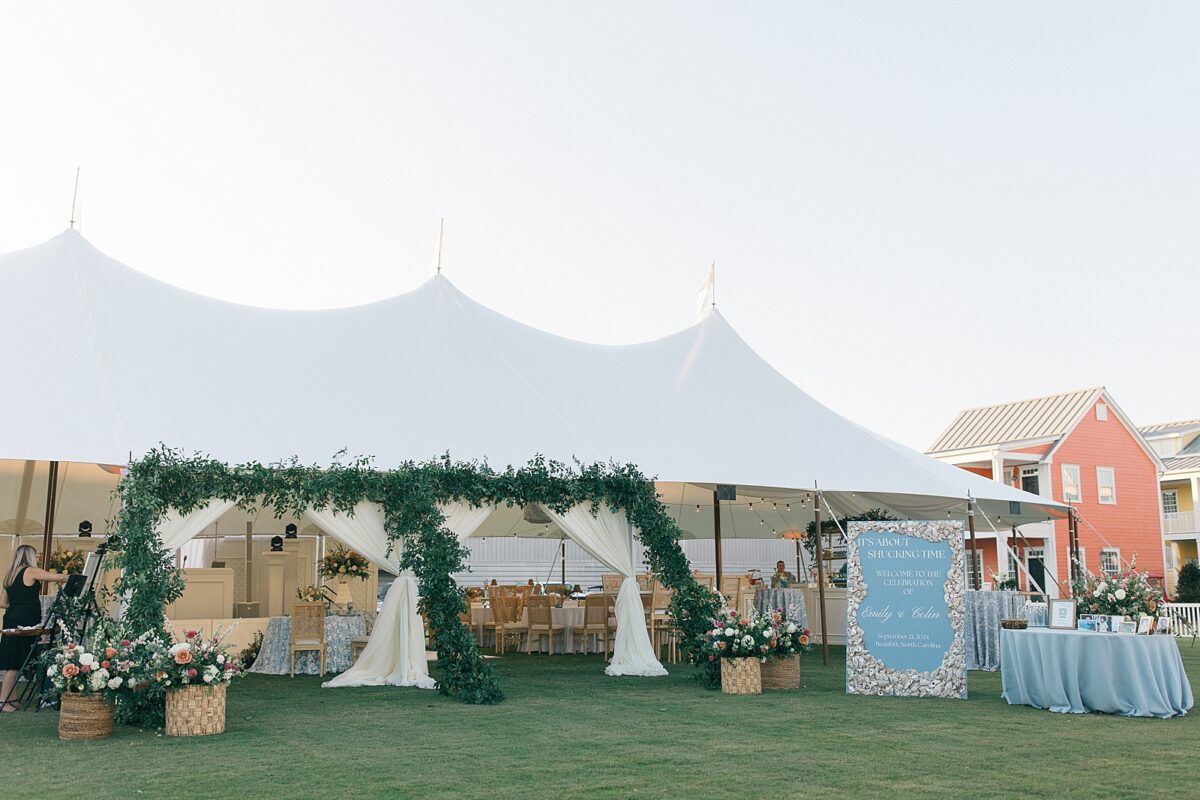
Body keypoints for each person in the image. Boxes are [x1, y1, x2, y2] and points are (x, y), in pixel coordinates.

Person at [0, 545, 68, 711]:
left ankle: (12, 698)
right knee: (15, 662)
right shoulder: (29, 570)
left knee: (15, 658)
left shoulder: (10, 574)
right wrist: (73, 577)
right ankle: (3, 701)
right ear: (30, 556)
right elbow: (56, 577)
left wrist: (17, 605)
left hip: (11, 618)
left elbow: (2, 603)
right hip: (25, 621)